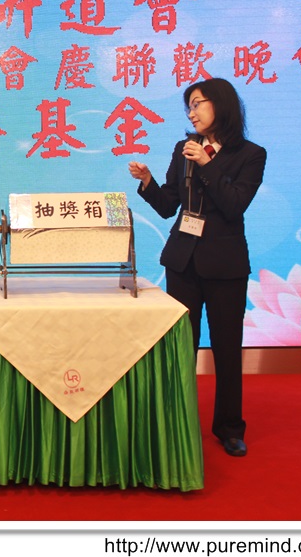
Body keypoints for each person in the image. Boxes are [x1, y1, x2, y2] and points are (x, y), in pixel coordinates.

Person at [128, 77, 266, 458]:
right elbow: (168, 206)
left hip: (225, 267)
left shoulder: (251, 154)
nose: (192, 112)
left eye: (199, 103)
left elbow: (234, 204)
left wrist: (207, 164)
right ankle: (177, 422)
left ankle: (229, 428)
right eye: (189, 106)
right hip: (183, 262)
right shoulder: (183, 149)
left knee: (226, 348)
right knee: (180, 347)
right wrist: (148, 182)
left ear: (221, 105)